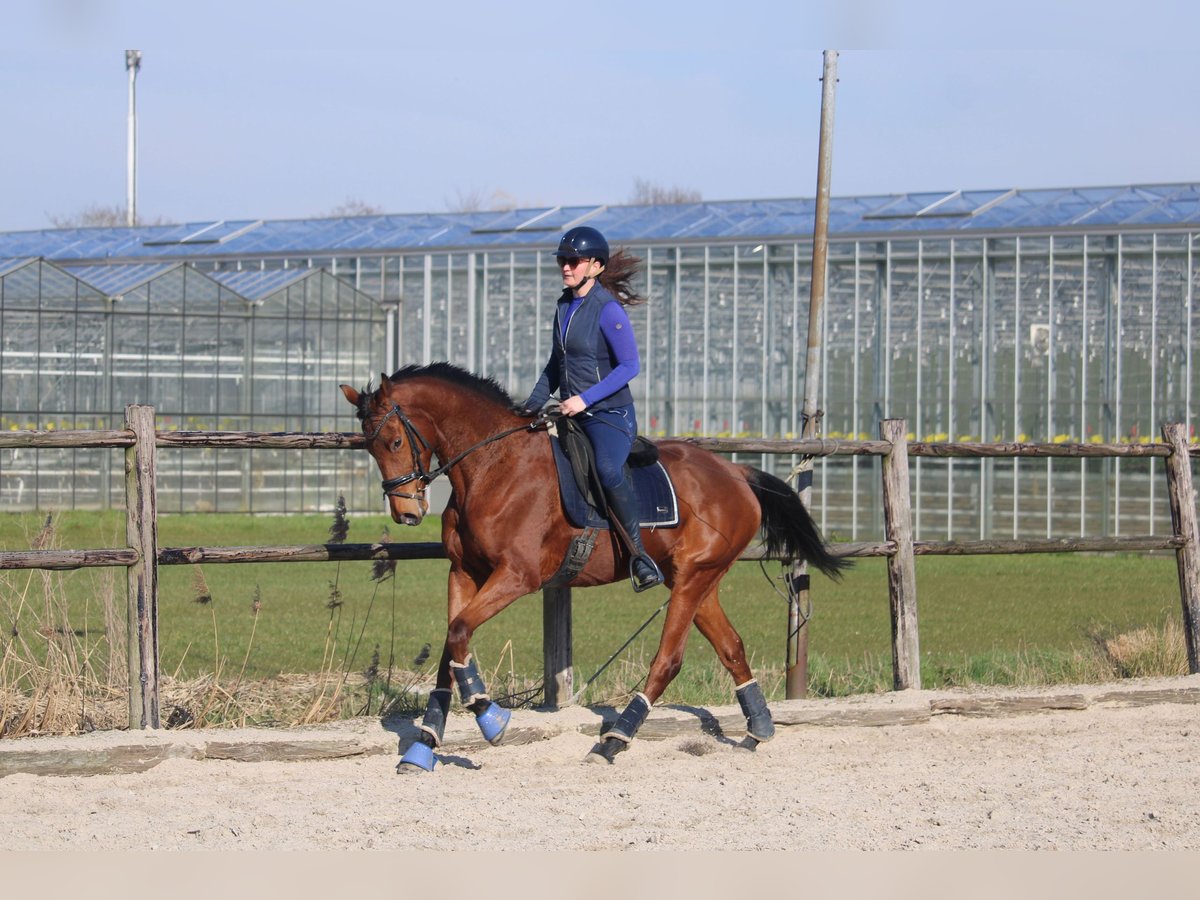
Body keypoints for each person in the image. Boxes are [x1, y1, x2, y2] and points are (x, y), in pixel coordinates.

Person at [521, 226, 664, 592]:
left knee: (606, 468)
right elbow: (556, 363)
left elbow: (630, 366)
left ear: (596, 266)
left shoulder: (608, 310)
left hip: (609, 417)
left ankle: (639, 557)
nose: (565, 267)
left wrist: (584, 400)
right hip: (570, 412)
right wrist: (531, 405)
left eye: (573, 261)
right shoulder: (563, 306)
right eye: (562, 261)